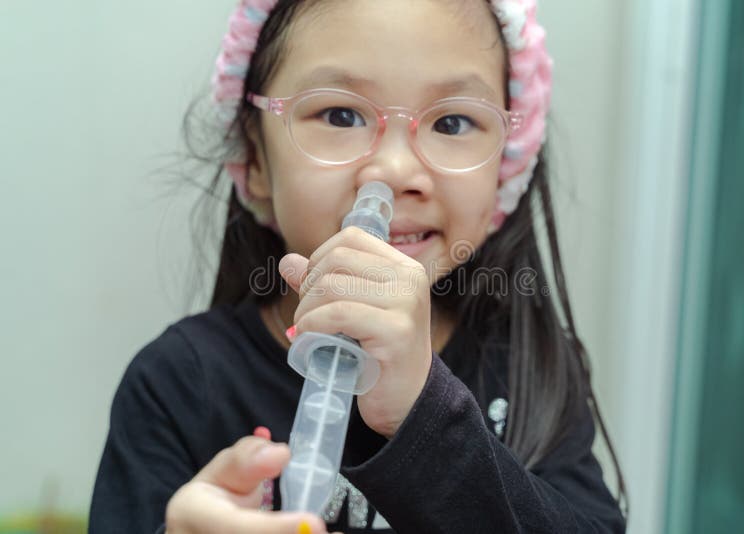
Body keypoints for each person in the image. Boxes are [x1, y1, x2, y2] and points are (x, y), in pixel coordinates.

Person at [89, 0, 627, 532]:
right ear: (254, 159)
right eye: (340, 115)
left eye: (454, 121)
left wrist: (425, 413)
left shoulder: (527, 368)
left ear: (507, 165)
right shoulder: (178, 383)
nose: (394, 171)